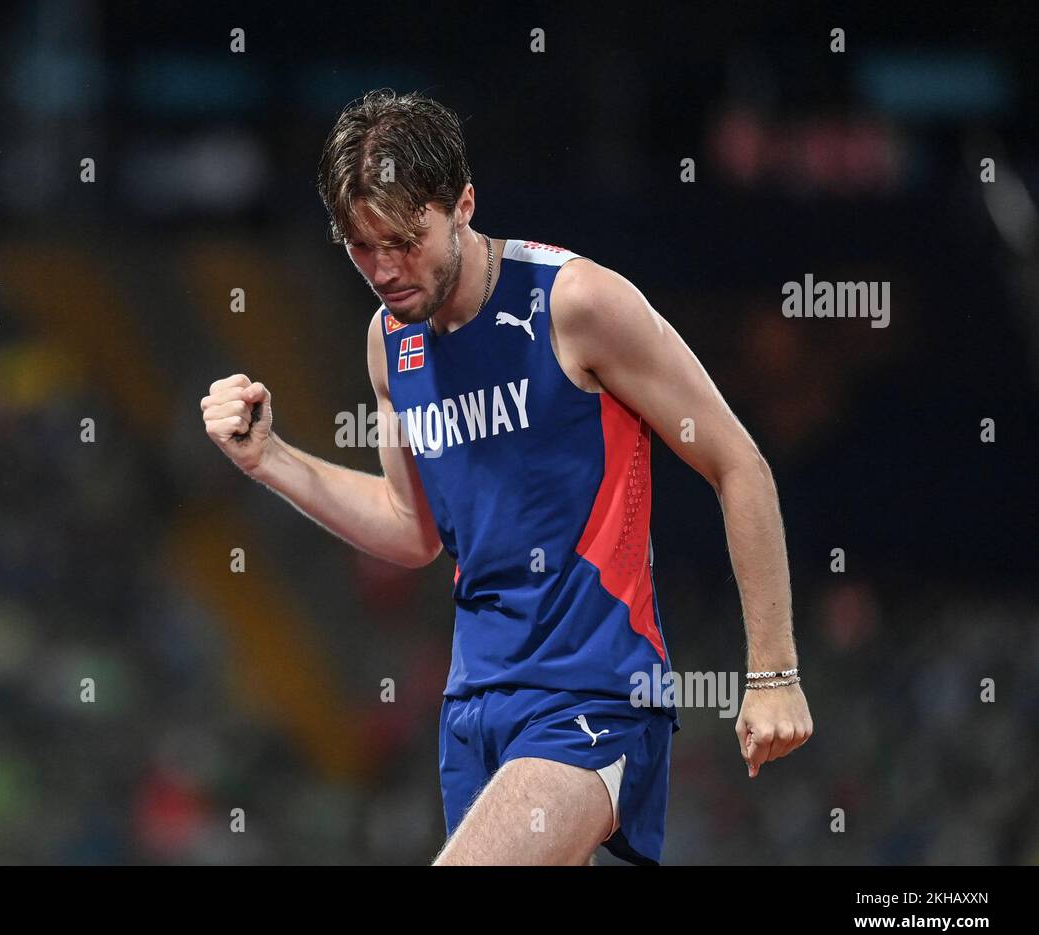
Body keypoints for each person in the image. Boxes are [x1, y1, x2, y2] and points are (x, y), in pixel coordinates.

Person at [201, 89, 812, 865]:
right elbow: (411, 529)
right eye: (359, 246)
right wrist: (272, 460)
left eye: (403, 239)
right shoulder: (392, 344)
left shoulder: (577, 302)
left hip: (596, 694)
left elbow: (738, 463)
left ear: (462, 204)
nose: (384, 270)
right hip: (474, 713)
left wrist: (774, 671)